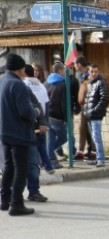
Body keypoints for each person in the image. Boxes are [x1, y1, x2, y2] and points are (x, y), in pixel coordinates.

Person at [0, 53, 38, 216]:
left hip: (5, 131)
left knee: (8, 168)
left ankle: (4, 200)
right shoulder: (19, 85)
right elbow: (25, 111)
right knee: (20, 170)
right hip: (19, 133)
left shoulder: (2, 81)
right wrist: (35, 112)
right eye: (23, 68)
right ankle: (17, 203)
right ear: (20, 69)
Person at [45, 62, 79, 172]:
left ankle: (50, 160)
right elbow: (64, 103)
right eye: (63, 71)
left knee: (50, 138)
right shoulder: (62, 84)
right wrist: (66, 118)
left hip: (48, 115)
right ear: (60, 71)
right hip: (58, 116)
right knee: (64, 137)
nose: (65, 73)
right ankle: (47, 153)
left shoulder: (46, 83)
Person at [23, 64, 49, 203]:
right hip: (12, 135)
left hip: (31, 132)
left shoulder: (26, 88)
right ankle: (10, 194)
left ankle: (34, 191)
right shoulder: (7, 88)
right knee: (13, 167)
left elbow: (38, 105)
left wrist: (43, 122)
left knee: (33, 164)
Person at [83, 64, 109, 167]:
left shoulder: (101, 82)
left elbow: (104, 98)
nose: (94, 73)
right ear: (89, 72)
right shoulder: (90, 83)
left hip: (96, 116)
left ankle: (101, 159)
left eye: (95, 71)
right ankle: (98, 158)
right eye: (92, 71)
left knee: (97, 138)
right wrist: (86, 112)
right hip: (89, 115)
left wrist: (94, 111)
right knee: (94, 139)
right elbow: (88, 99)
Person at [73, 56, 95, 160]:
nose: (74, 66)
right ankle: (82, 151)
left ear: (79, 64)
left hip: (92, 106)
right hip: (83, 106)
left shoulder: (91, 74)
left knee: (91, 129)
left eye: (75, 64)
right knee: (83, 128)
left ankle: (93, 150)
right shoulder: (79, 75)